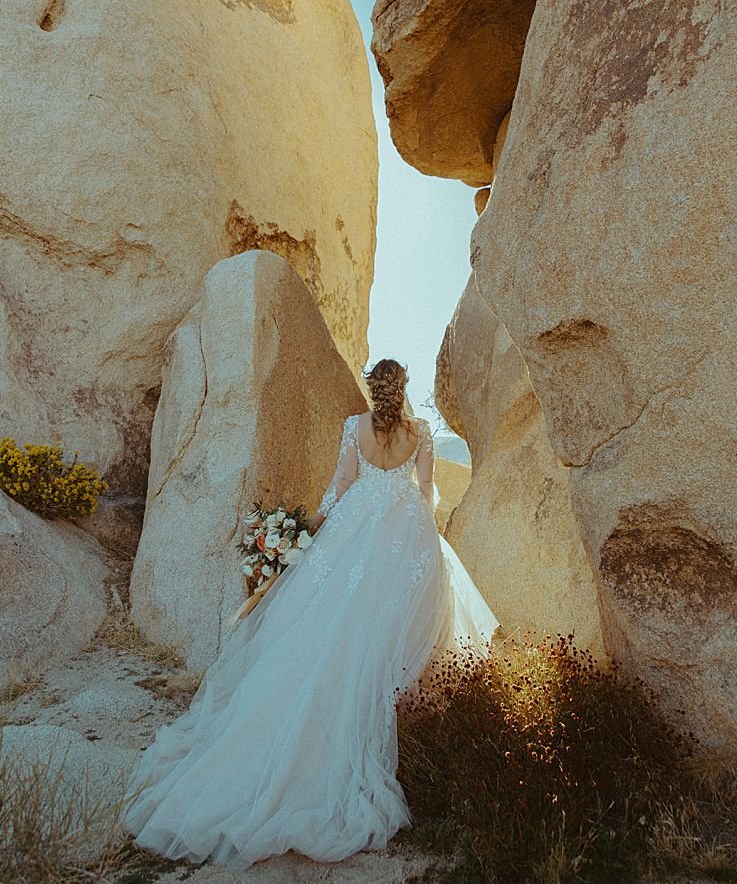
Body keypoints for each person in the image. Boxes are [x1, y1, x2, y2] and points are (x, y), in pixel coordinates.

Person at [124, 359, 497, 868]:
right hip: (404, 534)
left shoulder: (354, 427)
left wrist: (309, 527)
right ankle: (402, 733)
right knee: (388, 630)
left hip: (356, 527)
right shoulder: (422, 432)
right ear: (404, 390)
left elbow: (340, 486)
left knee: (330, 624)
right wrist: (416, 526)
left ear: (372, 390)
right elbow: (427, 493)